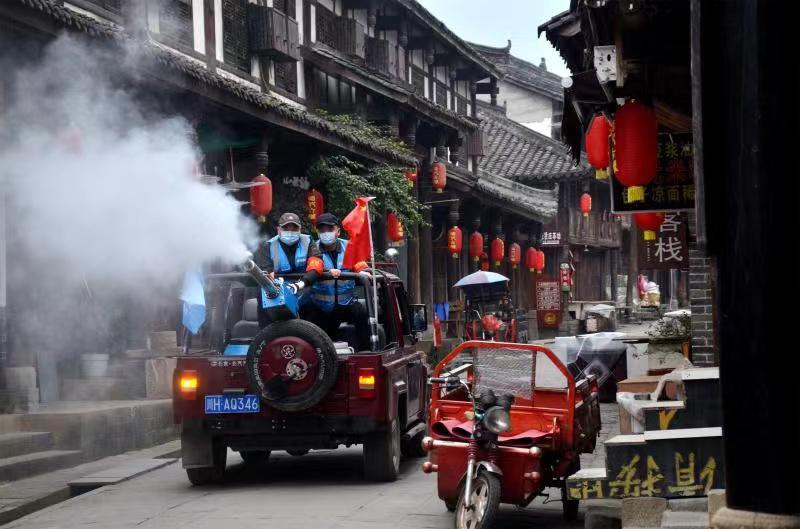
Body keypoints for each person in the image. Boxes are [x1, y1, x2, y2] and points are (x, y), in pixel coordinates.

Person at [303, 212, 370, 351]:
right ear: (317, 232)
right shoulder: (312, 249)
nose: (326, 233)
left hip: (345, 304)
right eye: (322, 230)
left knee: (361, 313)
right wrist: (327, 273)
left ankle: (366, 351)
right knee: (307, 315)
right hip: (320, 305)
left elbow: (360, 266)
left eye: (330, 229)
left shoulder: (350, 247)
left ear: (338, 231)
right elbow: (310, 269)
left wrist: (362, 272)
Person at [254, 212, 324, 324]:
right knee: (262, 296)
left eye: (294, 228)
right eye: (286, 228)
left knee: (313, 301)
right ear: (279, 230)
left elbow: (316, 263)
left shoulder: (308, 241)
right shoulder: (268, 245)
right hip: (278, 287)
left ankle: (311, 337)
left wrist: (301, 284)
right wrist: (271, 280)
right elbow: (266, 270)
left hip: (303, 286)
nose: (290, 232)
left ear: (300, 230)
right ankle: (267, 336)